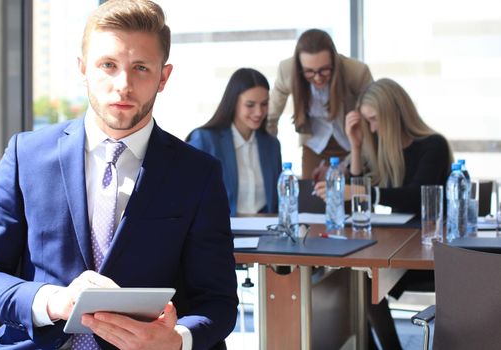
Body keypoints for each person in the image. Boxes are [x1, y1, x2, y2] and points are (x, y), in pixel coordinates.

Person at [0, 1, 237, 349]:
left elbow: (218, 301)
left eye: (141, 68)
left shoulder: (198, 173)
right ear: (83, 69)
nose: (123, 84)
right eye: (108, 65)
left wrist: (175, 340)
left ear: (163, 77)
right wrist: (54, 302)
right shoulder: (27, 155)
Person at [316, 78, 453, 349]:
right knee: (356, 278)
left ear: (394, 114)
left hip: (431, 254)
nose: (373, 128)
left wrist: (360, 193)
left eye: (375, 119)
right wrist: (356, 147)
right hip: (399, 250)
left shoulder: (433, 145)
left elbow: (416, 197)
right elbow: (359, 202)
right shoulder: (380, 148)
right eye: (367, 122)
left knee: (363, 282)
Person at [267, 28, 373, 179]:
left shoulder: (356, 72)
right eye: (309, 72)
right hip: (314, 145)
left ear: (334, 62)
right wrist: (267, 154)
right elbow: (270, 118)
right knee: (312, 197)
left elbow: (373, 121)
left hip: (353, 143)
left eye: (324, 70)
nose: (317, 78)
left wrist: (345, 166)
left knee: (350, 195)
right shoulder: (287, 71)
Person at [187, 68, 282, 217]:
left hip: (265, 234)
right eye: (250, 105)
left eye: (264, 104)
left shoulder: (271, 145)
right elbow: (186, 195)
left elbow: (277, 202)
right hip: (219, 235)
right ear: (233, 103)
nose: (258, 112)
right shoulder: (205, 141)